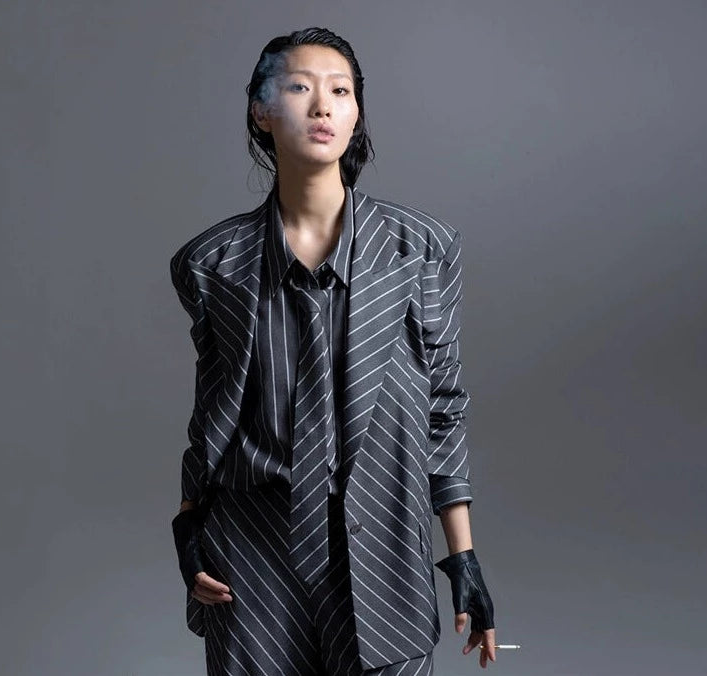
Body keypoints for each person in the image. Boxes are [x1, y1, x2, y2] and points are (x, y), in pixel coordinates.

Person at [170, 26, 496, 675]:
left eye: (340, 91)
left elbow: (443, 408)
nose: (322, 105)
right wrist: (186, 528)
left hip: (385, 555)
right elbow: (213, 414)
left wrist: (462, 555)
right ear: (260, 112)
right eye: (298, 87)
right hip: (252, 555)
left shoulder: (421, 250)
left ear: (356, 114)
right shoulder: (211, 264)